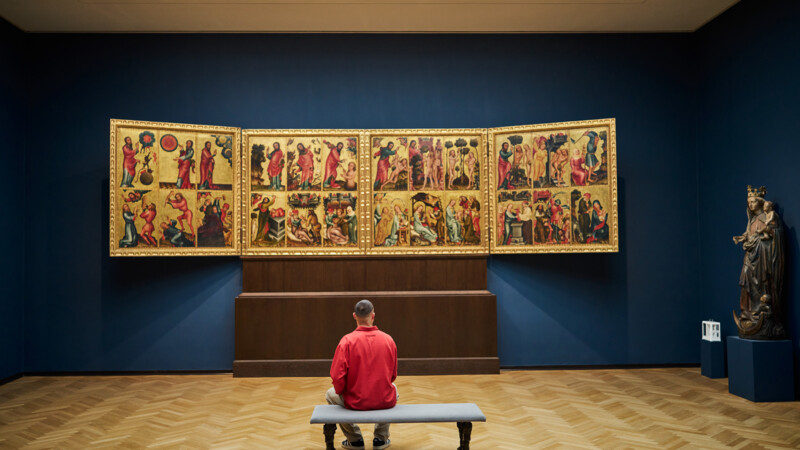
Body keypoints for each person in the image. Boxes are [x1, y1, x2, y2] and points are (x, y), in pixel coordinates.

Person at [327, 300, 397, 450]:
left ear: (354, 316)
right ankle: (380, 439)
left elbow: (337, 377)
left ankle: (355, 440)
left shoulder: (346, 341)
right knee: (395, 390)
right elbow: (392, 375)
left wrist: (342, 392)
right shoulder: (388, 340)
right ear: (373, 315)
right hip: (383, 399)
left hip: (355, 401)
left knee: (330, 394)